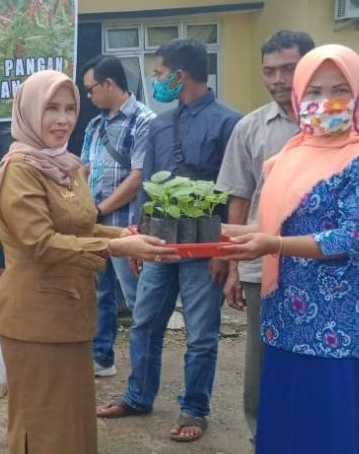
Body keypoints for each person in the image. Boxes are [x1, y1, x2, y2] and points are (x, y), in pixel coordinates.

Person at [0, 69, 179, 454]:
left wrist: (124, 235)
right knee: (42, 422)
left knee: (71, 419)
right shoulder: (21, 169)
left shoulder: (65, 166)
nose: (63, 119)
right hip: (35, 319)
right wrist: (118, 249)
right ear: (28, 111)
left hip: (69, 311)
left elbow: (84, 226)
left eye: (70, 108)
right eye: (51, 108)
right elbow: (41, 242)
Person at [221, 44, 359, 454]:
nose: (325, 101)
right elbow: (269, 221)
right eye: (314, 91)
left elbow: (354, 236)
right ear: (299, 96)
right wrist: (222, 238)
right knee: (292, 419)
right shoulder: (289, 155)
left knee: (334, 425)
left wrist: (274, 244)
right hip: (287, 314)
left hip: (342, 321)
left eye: (339, 89)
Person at [97, 38, 241, 443]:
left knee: (201, 334)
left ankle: (195, 408)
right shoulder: (159, 125)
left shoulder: (230, 123)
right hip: (159, 245)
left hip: (204, 248)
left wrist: (224, 254)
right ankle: (138, 396)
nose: (157, 82)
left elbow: (234, 194)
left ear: (181, 76)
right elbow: (146, 189)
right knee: (144, 324)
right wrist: (138, 238)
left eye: (159, 75)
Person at [214, 29, 314, 440]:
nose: (277, 79)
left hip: (320, 261)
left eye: (288, 68)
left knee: (314, 350)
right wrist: (235, 267)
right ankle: (263, 434)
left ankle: (312, 429)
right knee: (262, 354)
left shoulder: (335, 127)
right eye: (269, 70)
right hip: (263, 262)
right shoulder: (250, 127)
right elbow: (239, 200)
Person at [80, 55, 156, 377]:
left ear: (109, 84)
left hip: (127, 225)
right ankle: (102, 358)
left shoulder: (144, 120)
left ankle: (143, 369)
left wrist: (101, 209)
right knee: (99, 294)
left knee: (137, 298)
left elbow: (138, 176)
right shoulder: (95, 125)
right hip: (96, 225)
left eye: (91, 89)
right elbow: (83, 169)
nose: (89, 96)